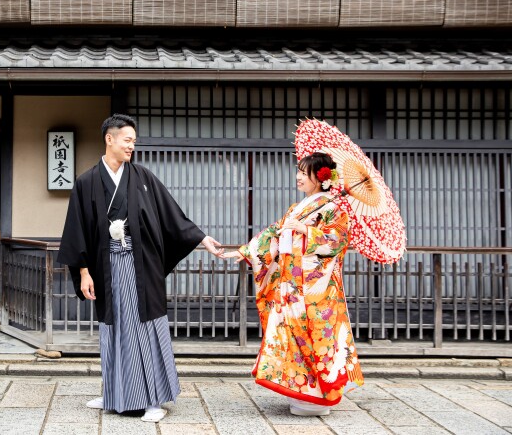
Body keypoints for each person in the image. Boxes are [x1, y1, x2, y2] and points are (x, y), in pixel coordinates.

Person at [57, 113, 224, 423]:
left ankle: (152, 400)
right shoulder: (87, 181)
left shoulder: (143, 178)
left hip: (140, 267)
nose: (132, 146)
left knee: (144, 327)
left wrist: (201, 238)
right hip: (107, 267)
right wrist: (83, 272)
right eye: (127, 140)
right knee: (114, 328)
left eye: (133, 141)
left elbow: (173, 217)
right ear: (110, 139)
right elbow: (76, 229)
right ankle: (114, 393)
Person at [222, 152, 363, 416]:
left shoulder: (333, 207)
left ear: (320, 177)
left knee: (315, 339)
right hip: (290, 286)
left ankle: (318, 396)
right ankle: (300, 391)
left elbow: (338, 241)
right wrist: (245, 251)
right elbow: (274, 233)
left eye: (304, 172)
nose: (298, 176)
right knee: (290, 337)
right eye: (298, 170)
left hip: (315, 291)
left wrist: (307, 230)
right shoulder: (300, 207)